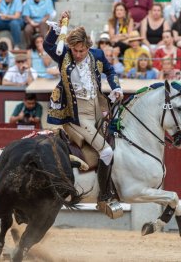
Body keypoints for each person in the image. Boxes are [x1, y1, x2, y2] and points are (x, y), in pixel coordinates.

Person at [43, 11, 123, 216]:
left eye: (81, 50)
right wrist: (56, 28)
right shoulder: (64, 56)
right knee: (106, 151)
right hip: (76, 114)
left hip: (97, 107)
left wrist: (116, 87)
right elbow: (47, 46)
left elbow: (110, 71)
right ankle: (105, 197)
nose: (78, 54)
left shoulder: (96, 55)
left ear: (88, 47)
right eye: (75, 50)